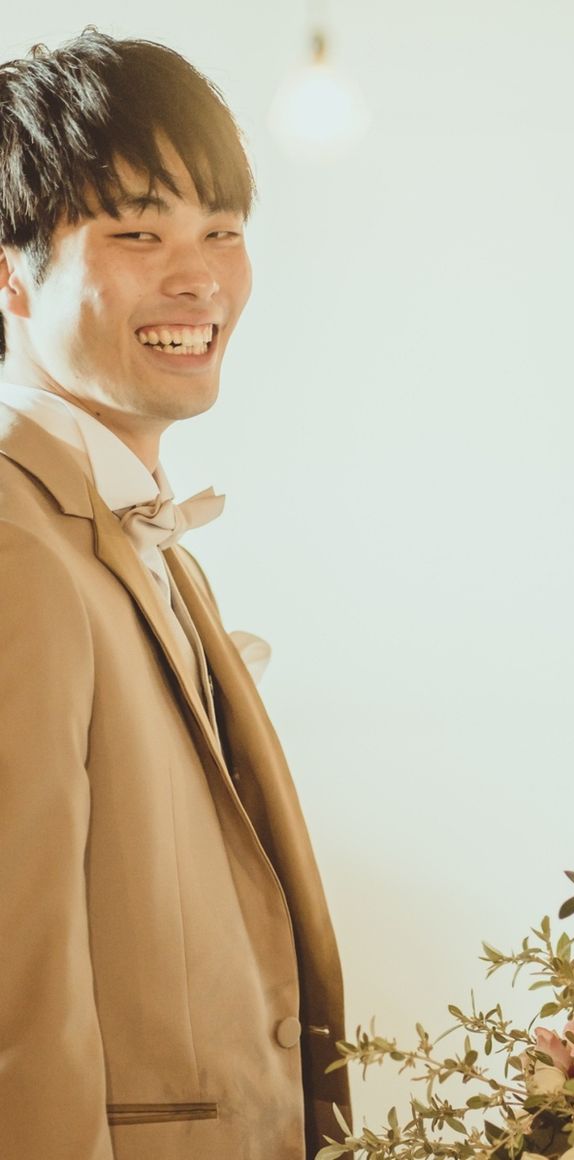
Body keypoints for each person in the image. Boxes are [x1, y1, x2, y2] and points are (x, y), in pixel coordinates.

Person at [0, 30, 350, 1159]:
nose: (199, 277)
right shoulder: (13, 539)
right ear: (11, 273)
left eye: (223, 231)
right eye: (138, 232)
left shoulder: (131, 530)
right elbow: (15, 1001)